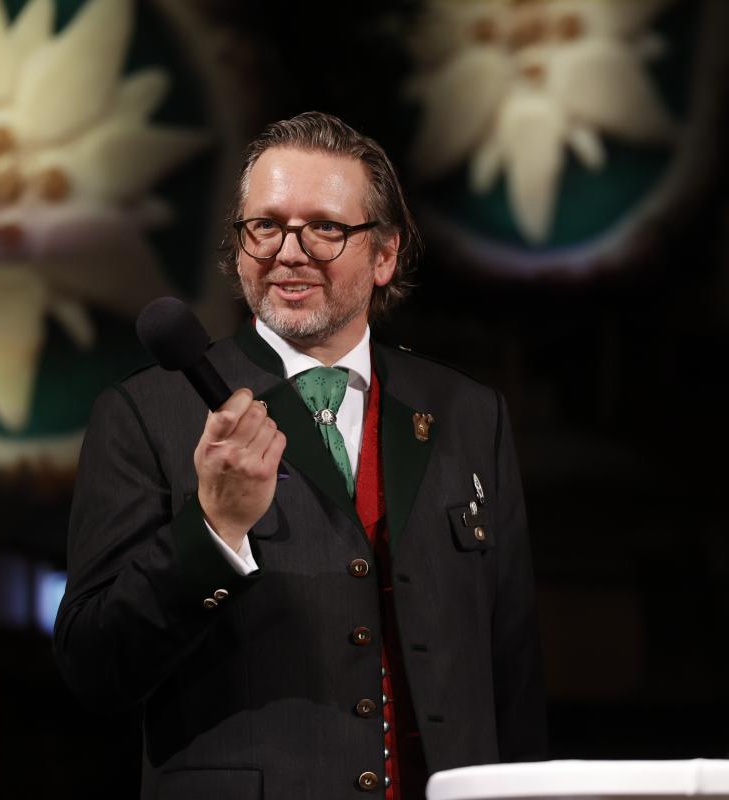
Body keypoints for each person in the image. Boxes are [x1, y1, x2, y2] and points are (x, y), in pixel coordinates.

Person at [54, 111, 547, 799]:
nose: (289, 252)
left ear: (384, 255)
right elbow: (93, 668)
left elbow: (512, 674)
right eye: (266, 226)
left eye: (325, 228)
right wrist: (213, 530)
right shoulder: (147, 413)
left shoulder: (469, 414)